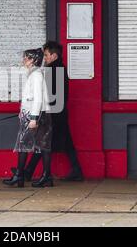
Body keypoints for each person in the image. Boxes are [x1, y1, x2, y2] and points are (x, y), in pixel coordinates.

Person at [11, 41, 84, 182]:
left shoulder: (51, 71)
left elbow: (47, 95)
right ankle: (32, 172)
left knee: (44, 144)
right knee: (48, 143)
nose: (44, 58)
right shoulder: (58, 69)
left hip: (53, 113)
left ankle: (30, 172)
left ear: (54, 56)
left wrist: (38, 112)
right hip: (58, 112)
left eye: (46, 55)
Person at [3, 48, 53, 188]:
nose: (24, 60)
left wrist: (33, 118)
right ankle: (46, 177)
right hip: (37, 114)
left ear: (33, 60)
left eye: (26, 58)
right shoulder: (33, 74)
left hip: (36, 115)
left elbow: (37, 99)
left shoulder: (36, 75)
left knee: (24, 145)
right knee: (43, 146)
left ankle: (19, 176)